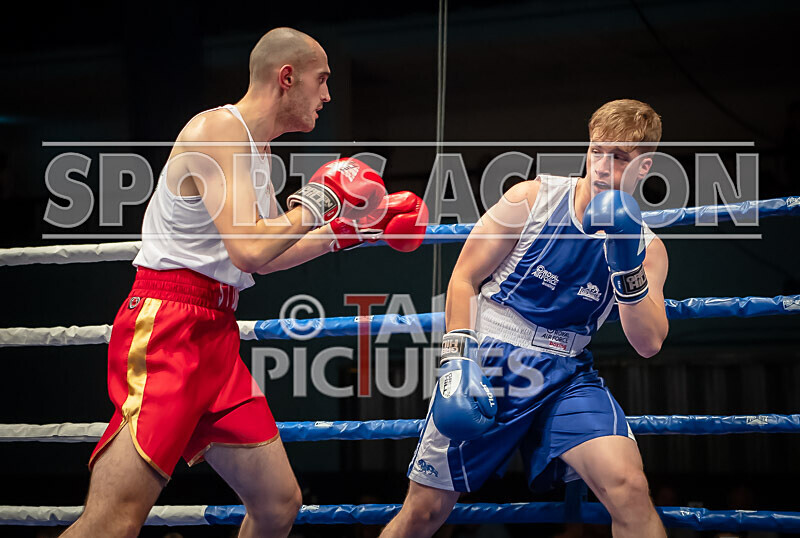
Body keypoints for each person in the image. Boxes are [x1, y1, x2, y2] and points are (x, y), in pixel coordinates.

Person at [62, 27, 426, 538]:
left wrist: (350, 232)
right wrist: (322, 199)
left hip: (215, 330)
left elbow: (265, 257)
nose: (327, 95)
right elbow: (250, 248)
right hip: (168, 327)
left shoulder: (260, 152)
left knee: (277, 505)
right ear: (287, 77)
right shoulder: (217, 132)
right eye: (321, 80)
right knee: (113, 521)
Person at [382, 99, 669, 538]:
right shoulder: (532, 199)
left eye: (618, 157)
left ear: (643, 166)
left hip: (568, 372)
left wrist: (626, 262)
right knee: (423, 512)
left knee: (629, 487)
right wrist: (456, 361)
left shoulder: (647, 248)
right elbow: (464, 278)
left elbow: (648, 343)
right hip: (494, 358)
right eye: (596, 150)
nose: (601, 166)